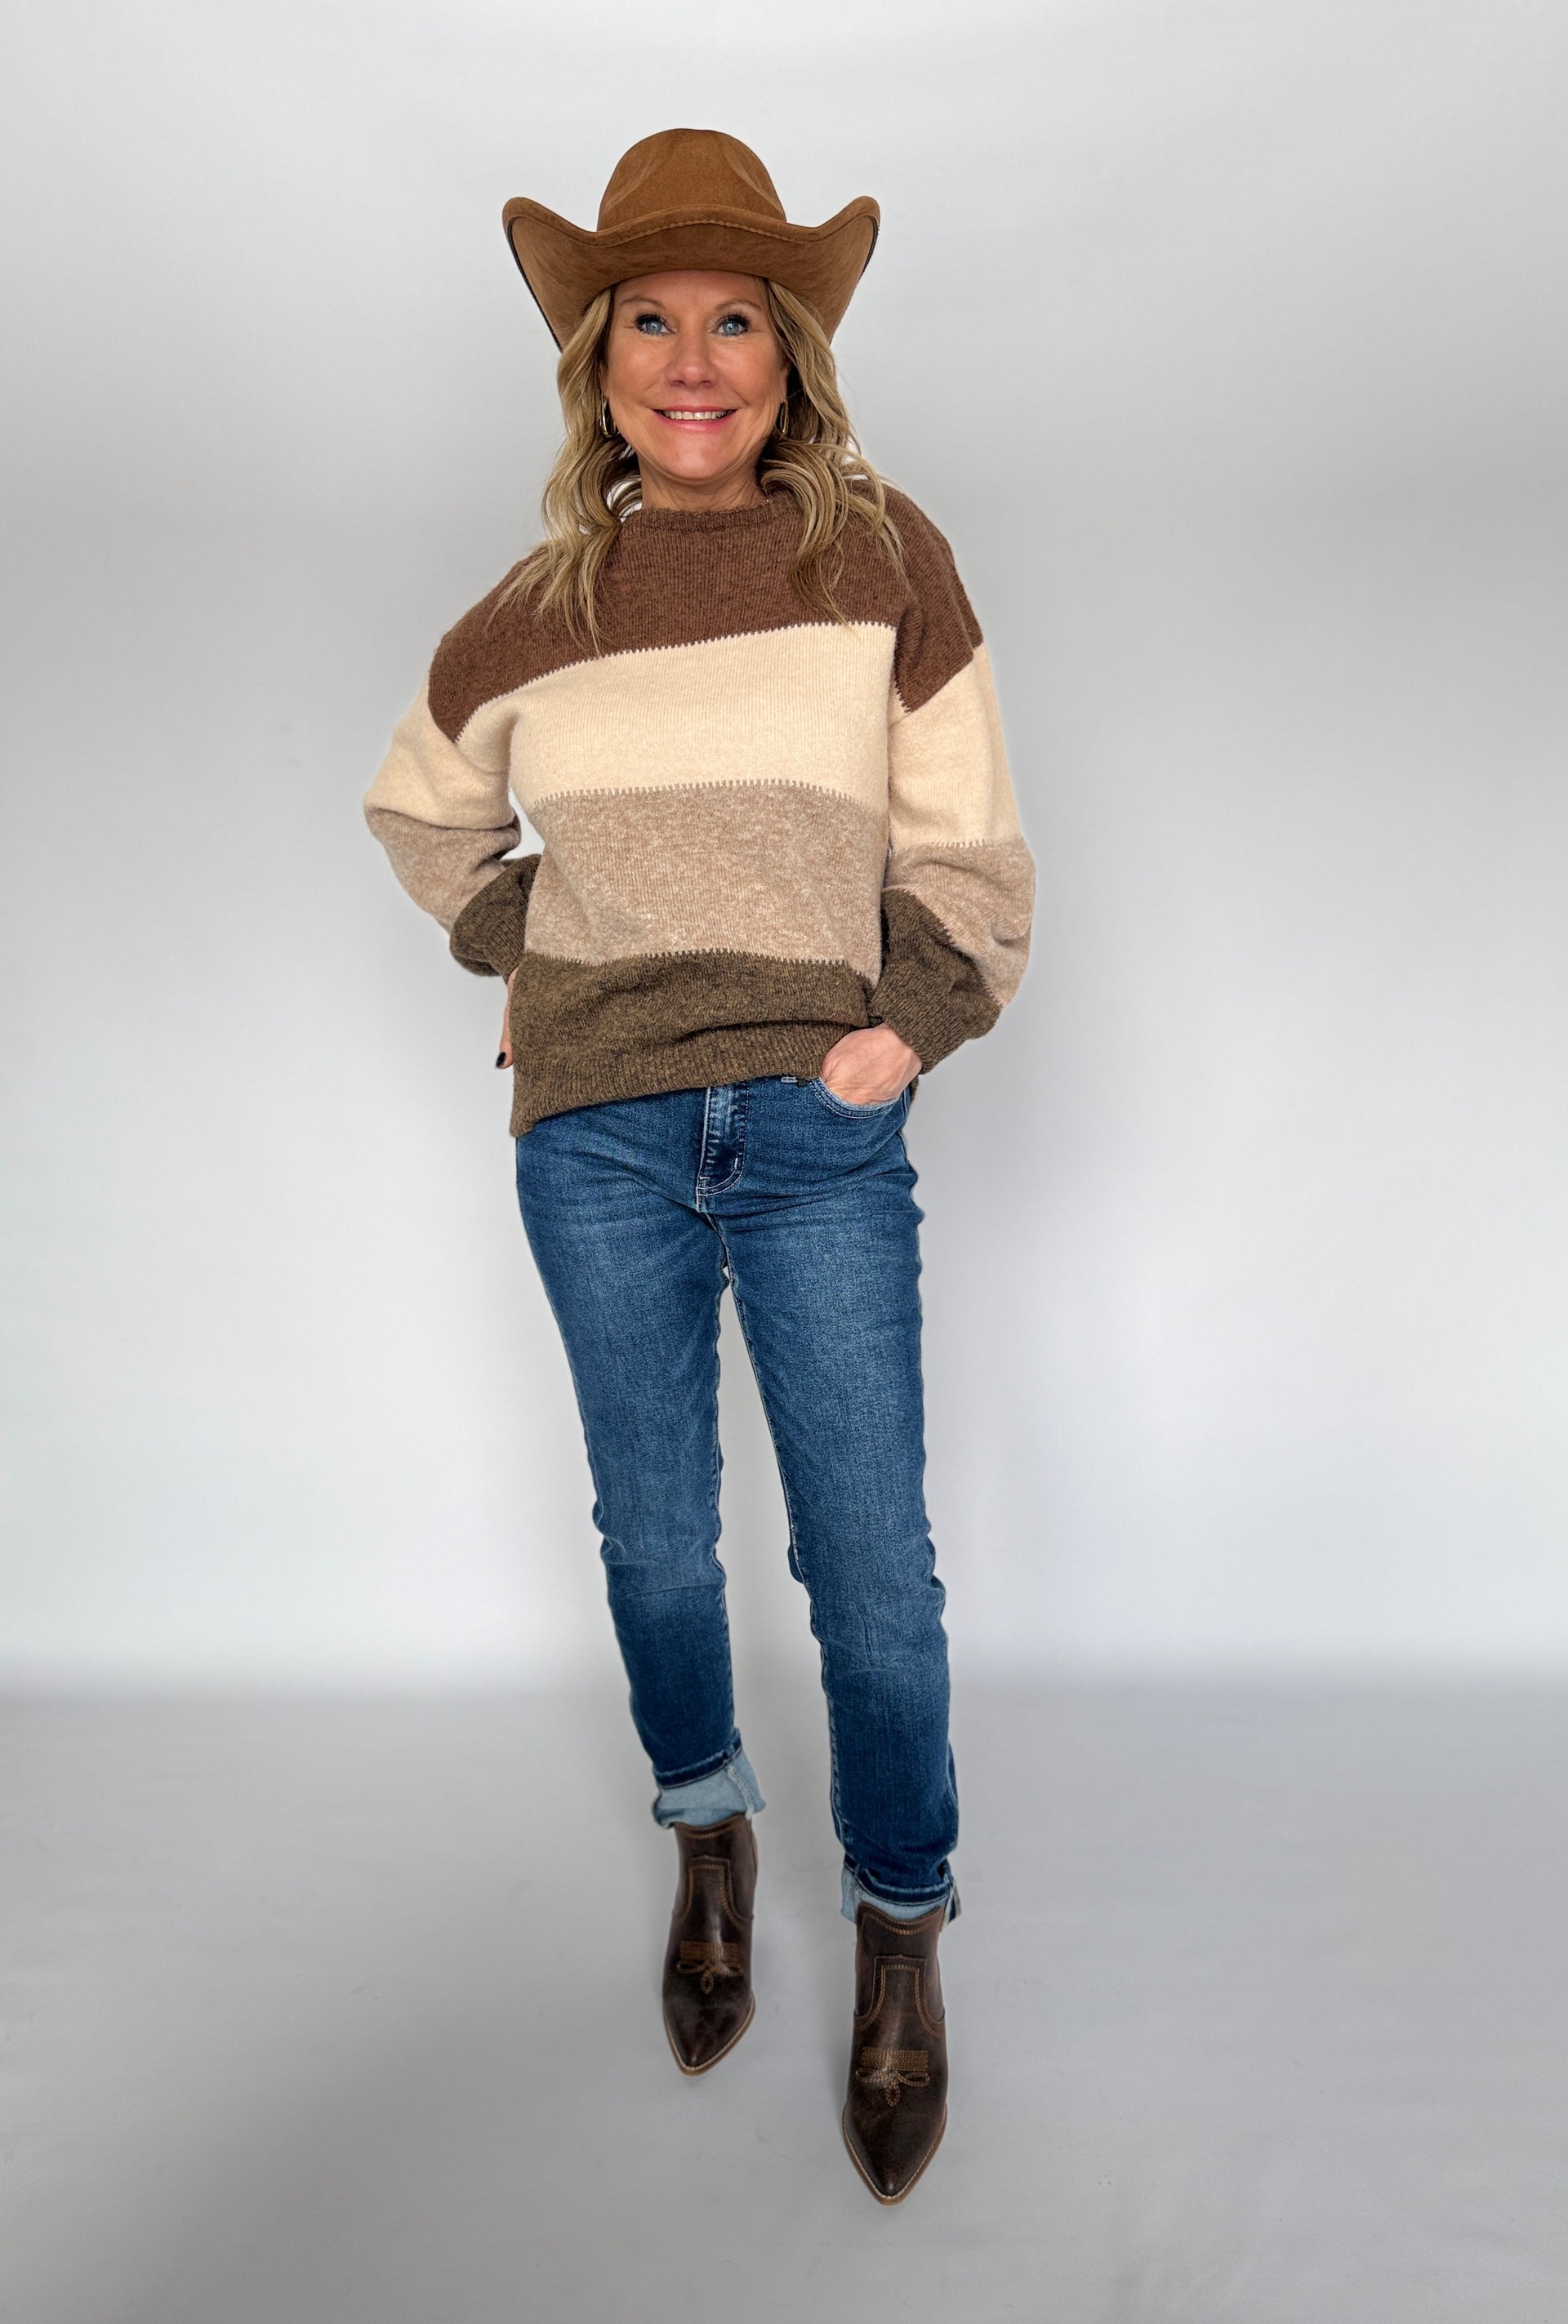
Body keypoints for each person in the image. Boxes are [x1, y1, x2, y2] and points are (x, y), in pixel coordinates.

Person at [364, 127, 1035, 2204]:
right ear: (594, 363)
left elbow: (972, 847)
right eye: (645, 317)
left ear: (793, 354)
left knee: (873, 1573)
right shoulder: (535, 607)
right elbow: (417, 818)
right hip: (595, 1140)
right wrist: (527, 946)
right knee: (656, 1544)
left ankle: (903, 1931)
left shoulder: (881, 557)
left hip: (819, 1125)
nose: (690, 356)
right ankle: (711, 1833)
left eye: (733, 315)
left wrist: (900, 1027)